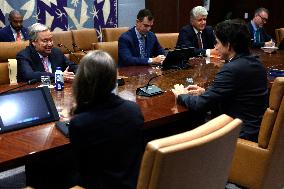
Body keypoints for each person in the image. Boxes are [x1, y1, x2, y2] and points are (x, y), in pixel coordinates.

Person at [172, 20, 268, 142]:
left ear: (228, 45)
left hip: (238, 136)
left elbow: (200, 105)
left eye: (217, 43)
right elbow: (237, 94)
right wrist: (206, 92)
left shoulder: (231, 69)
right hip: (254, 129)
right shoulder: (257, 64)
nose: (215, 47)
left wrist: (181, 95)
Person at [69, 50, 144, 188]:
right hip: (131, 183)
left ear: (82, 80)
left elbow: (80, 167)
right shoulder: (133, 110)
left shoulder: (79, 123)